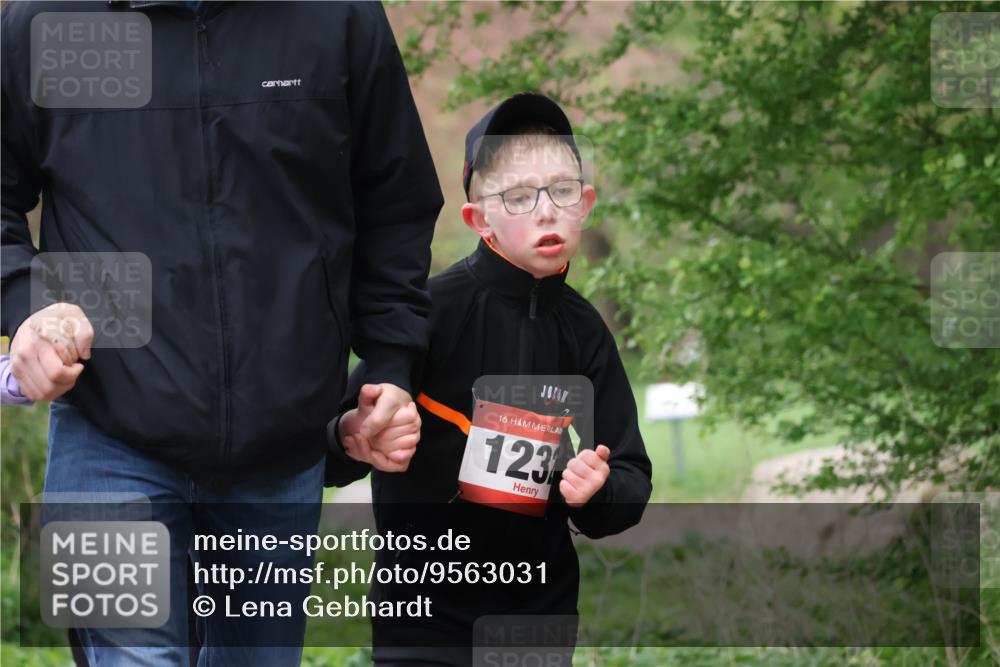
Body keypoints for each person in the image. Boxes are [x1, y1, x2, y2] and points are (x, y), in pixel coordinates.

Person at [1, 1, 441, 665]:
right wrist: (22, 307)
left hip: (280, 449)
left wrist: (390, 364)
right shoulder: (48, 22)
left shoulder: (337, 16)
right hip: (106, 435)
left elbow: (396, 204)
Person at [327, 92, 653, 665]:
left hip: (537, 617)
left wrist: (598, 492)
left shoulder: (584, 332)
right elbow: (333, 448)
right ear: (480, 220)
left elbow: (629, 473)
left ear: (586, 204)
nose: (547, 212)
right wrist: (352, 433)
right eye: (519, 198)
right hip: (422, 618)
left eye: (562, 191)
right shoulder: (427, 312)